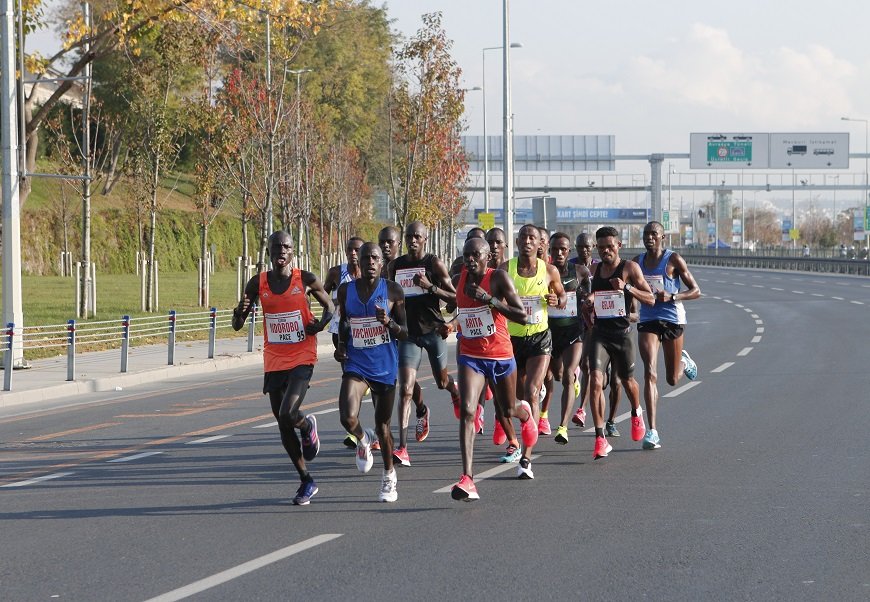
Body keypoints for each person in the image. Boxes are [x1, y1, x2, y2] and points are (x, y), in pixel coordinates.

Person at [231, 230, 334, 506]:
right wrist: (238, 311)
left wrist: (321, 325)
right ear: (269, 251)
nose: (281, 251)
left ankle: (305, 424)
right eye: (276, 247)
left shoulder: (306, 280)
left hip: (302, 354)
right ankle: (306, 480)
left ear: (292, 252)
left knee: (288, 411)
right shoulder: (258, 283)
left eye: (286, 247)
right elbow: (237, 324)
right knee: (281, 420)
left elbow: (330, 306)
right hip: (274, 358)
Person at [442, 237, 538, 500]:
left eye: (476, 255)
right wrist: (451, 323)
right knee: (468, 411)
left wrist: (490, 300)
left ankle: (526, 414)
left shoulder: (498, 279)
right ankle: (467, 478)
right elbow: (460, 309)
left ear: (487, 257)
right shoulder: (458, 276)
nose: (470, 259)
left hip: (501, 356)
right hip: (470, 355)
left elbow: (523, 316)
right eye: (466, 255)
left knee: (508, 409)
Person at [334, 242, 408, 502]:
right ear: (358, 262)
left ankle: (389, 476)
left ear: (382, 262)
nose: (370, 262)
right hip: (357, 363)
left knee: (384, 426)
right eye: (366, 258)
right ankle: (364, 439)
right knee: (347, 417)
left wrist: (389, 323)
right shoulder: (346, 291)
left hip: (385, 366)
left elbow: (406, 331)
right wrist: (342, 346)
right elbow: (343, 323)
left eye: (375, 258)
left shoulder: (393, 291)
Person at [387, 221, 459, 466]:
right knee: (405, 388)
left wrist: (431, 287)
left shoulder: (433, 263)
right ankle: (402, 449)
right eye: (409, 236)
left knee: (442, 382)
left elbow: (456, 297)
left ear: (425, 239)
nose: (413, 240)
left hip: (433, 332)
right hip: (408, 335)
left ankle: (455, 391)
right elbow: (387, 297)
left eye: (417, 236)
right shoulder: (395, 266)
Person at [580, 226, 655, 460]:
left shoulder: (630, 268)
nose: (605, 251)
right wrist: (588, 303)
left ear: (618, 246)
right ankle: (600, 438)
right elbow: (592, 296)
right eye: (601, 248)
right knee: (595, 380)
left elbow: (651, 298)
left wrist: (627, 287)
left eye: (609, 247)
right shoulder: (594, 268)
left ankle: (636, 412)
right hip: (600, 334)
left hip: (622, 334)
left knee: (627, 380)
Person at [499, 224, 566, 477]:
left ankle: (526, 459)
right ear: (517, 242)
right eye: (523, 237)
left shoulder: (549, 270)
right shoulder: (506, 269)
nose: (527, 241)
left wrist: (555, 300)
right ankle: (525, 424)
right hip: (512, 341)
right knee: (515, 400)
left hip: (540, 338)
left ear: (540, 244)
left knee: (533, 391)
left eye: (532, 238)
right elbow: (496, 298)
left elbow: (562, 298)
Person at [633, 221, 701, 450]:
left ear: (663, 237)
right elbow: (630, 291)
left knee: (672, 379)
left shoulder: (673, 260)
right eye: (646, 234)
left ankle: (684, 361)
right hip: (648, 320)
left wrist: (671, 296)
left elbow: (696, 291)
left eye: (654, 234)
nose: (649, 237)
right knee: (649, 372)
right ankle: (652, 431)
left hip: (672, 318)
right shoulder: (637, 262)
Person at [548, 232, 589, 445]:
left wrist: (586, 301)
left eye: (563, 249)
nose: (559, 253)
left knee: (568, 377)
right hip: (550, 333)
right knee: (558, 375)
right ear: (549, 251)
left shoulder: (580, 271)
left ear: (569, 251)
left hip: (574, 332)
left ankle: (562, 427)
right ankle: (572, 382)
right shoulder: (543, 272)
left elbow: (590, 297)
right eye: (555, 249)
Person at [324, 237, 365, 449]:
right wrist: (329, 311)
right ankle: (353, 431)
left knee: (362, 376)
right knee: (349, 375)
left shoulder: (371, 272)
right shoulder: (336, 272)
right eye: (350, 249)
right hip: (340, 331)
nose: (353, 253)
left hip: (364, 330)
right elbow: (323, 296)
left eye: (357, 249)